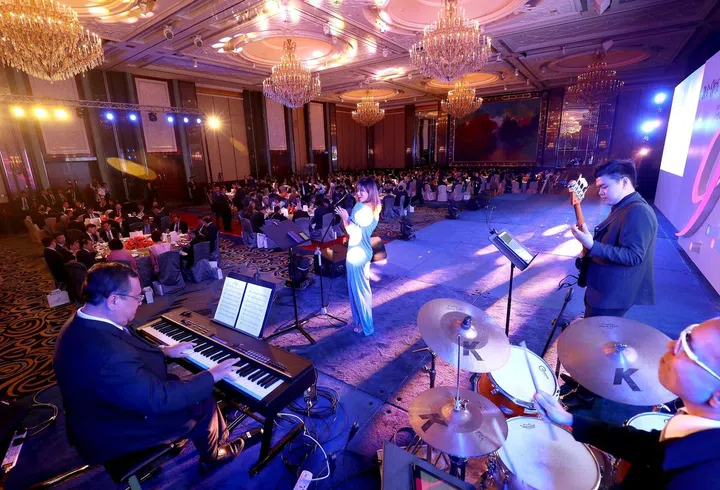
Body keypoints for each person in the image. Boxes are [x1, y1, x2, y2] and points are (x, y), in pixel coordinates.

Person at [53, 263, 250, 472]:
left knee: (179, 382)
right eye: (137, 297)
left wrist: (165, 351)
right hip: (116, 430)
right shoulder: (108, 353)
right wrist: (212, 375)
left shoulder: (83, 320)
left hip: (105, 408)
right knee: (203, 402)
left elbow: (125, 346)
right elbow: (160, 400)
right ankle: (213, 456)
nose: (140, 303)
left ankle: (195, 431)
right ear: (113, 301)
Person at [535, 317, 720, 489]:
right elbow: (646, 446)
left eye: (688, 348)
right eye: (685, 336)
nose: (670, 344)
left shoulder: (696, 480)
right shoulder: (698, 431)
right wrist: (570, 420)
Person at [565, 160, 658, 409]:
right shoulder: (624, 207)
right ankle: (584, 381)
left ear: (624, 182)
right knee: (594, 340)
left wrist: (592, 245)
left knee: (599, 345)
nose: (601, 192)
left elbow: (634, 255)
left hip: (613, 294)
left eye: (605, 186)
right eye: (599, 187)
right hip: (604, 289)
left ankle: (588, 393)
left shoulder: (638, 211)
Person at [335, 177, 381, 336]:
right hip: (364, 252)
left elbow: (352, 231)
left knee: (358, 291)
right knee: (362, 290)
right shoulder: (375, 207)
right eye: (358, 190)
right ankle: (363, 322)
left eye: (362, 190)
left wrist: (345, 217)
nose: (358, 193)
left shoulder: (360, 207)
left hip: (356, 253)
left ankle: (365, 325)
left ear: (370, 191)